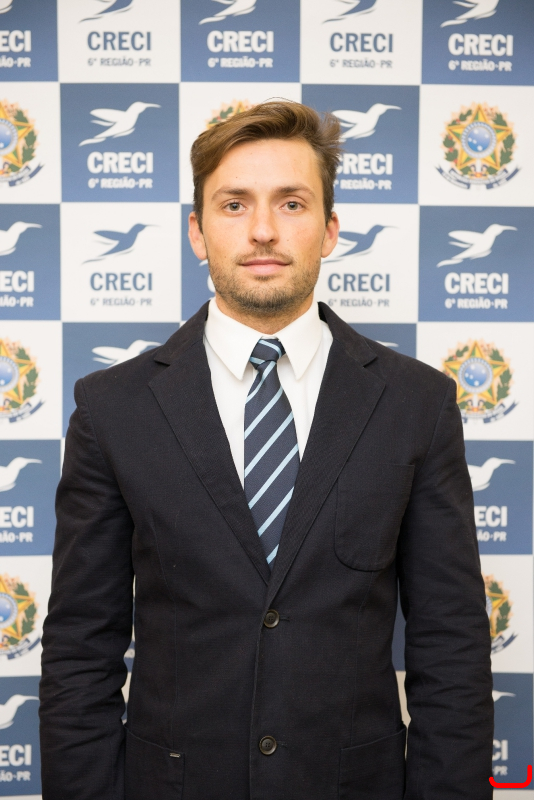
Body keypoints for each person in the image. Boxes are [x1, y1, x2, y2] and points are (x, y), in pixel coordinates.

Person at [39, 100, 493, 800]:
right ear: (197, 232)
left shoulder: (416, 404)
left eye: (291, 203)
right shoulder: (113, 409)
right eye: (233, 204)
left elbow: (452, 644)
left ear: (330, 229)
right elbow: (79, 649)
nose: (262, 230)